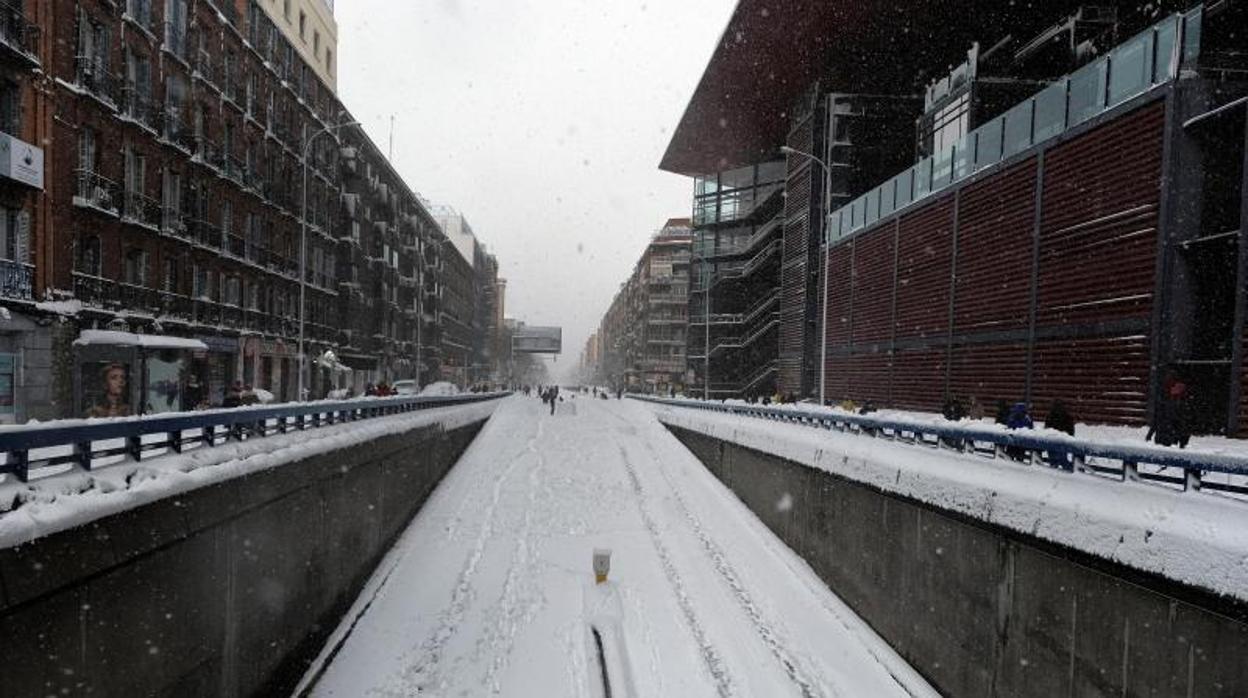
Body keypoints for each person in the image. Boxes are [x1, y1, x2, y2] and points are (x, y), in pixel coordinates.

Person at [1147, 372, 1192, 448]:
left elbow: (1184, 425)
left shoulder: (1182, 405)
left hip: (1171, 438)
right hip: (1162, 435)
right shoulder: (1164, 401)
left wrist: (1183, 442)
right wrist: (1150, 434)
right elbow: (1157, 418)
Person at [1045, 400, 1076, 470]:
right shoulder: (1067, 417)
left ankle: (1058, 467)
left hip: (1058, 440)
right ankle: (1067, 469)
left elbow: (1046, 429)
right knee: (1061, 459)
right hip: (1060, 440)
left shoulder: (1050, 416)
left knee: (1056, 459)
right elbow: (1071, 431)